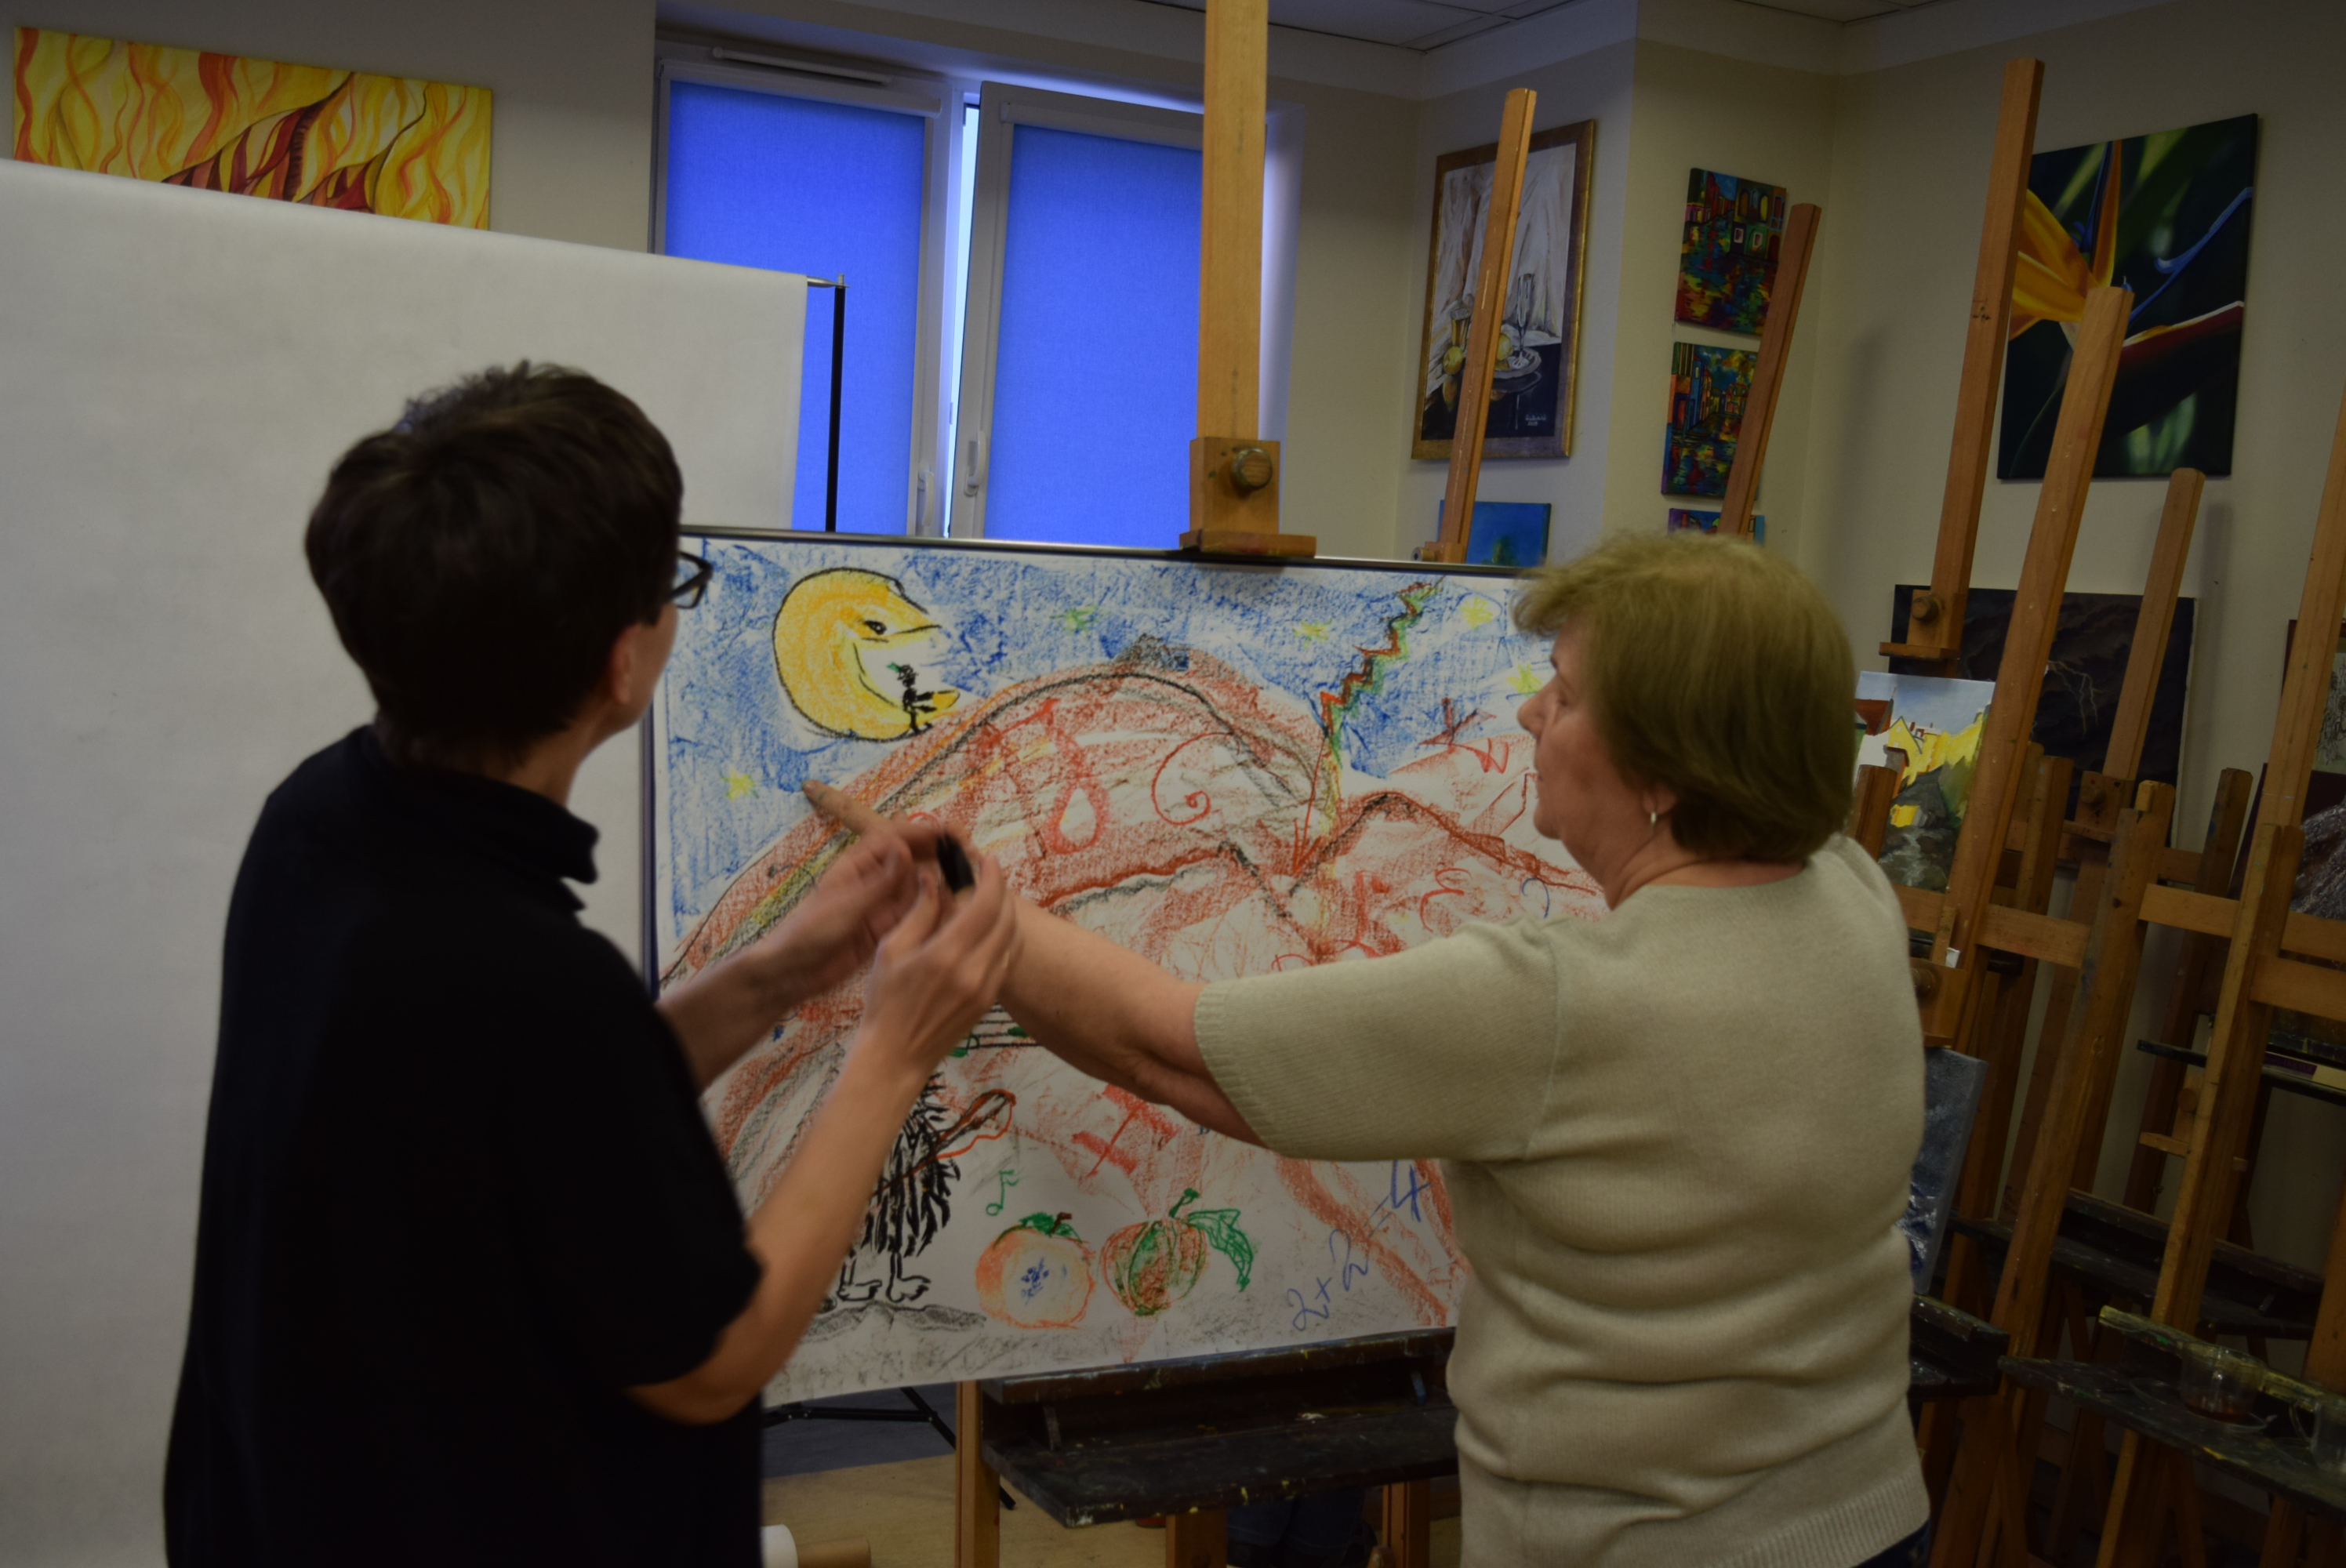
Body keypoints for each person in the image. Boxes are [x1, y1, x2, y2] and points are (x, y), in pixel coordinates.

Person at [164, 364, 1020, 1567]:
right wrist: (894, 1050)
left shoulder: (320, 820)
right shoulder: (526, 974)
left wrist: (782, 969)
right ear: (623, 666)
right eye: (673, 584)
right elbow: (710, 1362)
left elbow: (523, 1115)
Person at [972, 534, 1929, 1566]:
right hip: (1867, 1518)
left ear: (1662, 766)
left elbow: (1162, 1045)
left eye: (1565, 695)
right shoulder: (1853, 896)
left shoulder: (1554, 1005)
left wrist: (952, 894)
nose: (1530, 714)